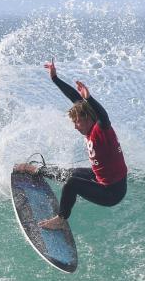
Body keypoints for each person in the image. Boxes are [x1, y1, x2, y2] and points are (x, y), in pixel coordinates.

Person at [14, 59, 128, 230]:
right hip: (100, 178)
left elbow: (103, 116)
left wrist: (89, 98)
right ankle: (37, 170)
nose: (75, 127)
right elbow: (75, 99)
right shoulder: (89, 124)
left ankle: (61, 219)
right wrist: (55, 79)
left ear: (88, 119)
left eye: (77, 122)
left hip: (112, 193)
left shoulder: (101, 129)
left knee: (71, 183)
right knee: (67, 172)